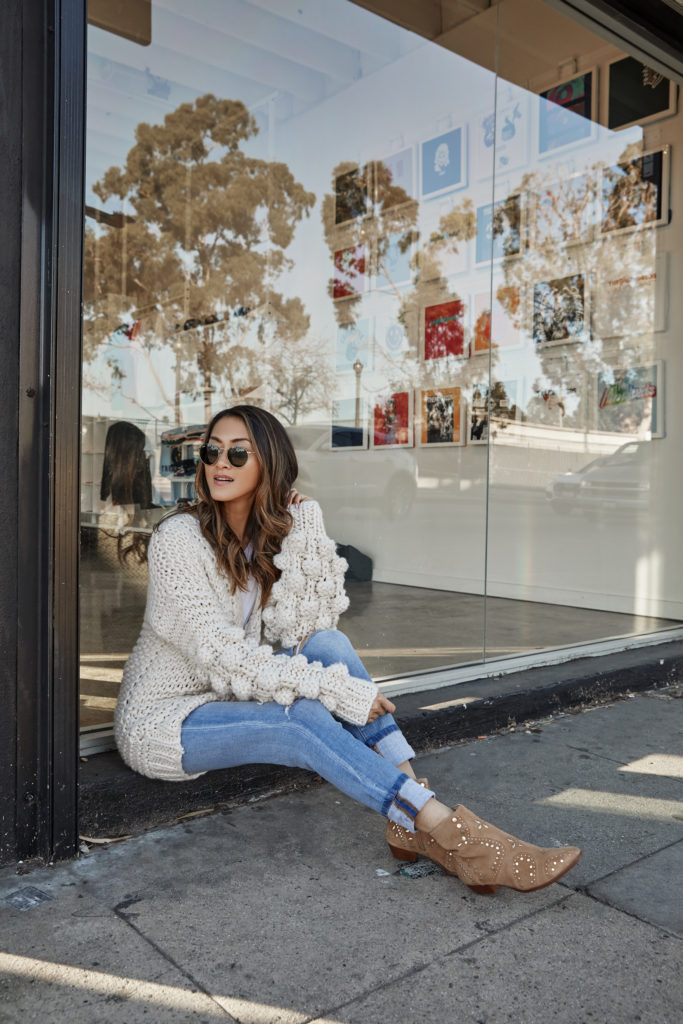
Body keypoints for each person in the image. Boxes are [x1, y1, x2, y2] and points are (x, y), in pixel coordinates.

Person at [114, 405, 582, 894]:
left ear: (268, 465)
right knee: (304, 718)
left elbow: (307, 630)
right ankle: (454, 833)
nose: (219, 463)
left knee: (330, 643)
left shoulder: (263, 541)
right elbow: (221, 654)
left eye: (237, 452)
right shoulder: (178, 539)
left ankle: (410, 812)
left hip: (225, 700)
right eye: (212, 451)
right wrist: (333, 691)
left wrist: (307, 523)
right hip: (162, 722)